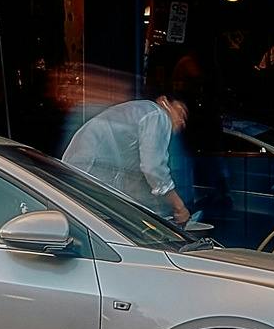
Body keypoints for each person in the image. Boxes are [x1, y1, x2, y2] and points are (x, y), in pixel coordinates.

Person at [63, 86, 194, 229]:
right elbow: (153, 168)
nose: (182, 121)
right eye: (180, 112)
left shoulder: (141, 113)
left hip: (84, 169)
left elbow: (140, 177)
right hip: (90, 168)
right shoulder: (157, 114)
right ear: (164, 102)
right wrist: (179, 206)